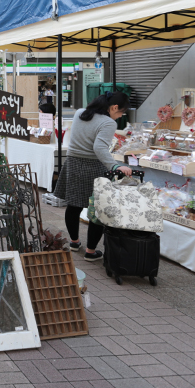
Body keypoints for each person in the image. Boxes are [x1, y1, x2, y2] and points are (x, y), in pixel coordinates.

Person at [53, 91, 132, 261]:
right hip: (93, 167)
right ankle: (90, 251)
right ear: (114, 107)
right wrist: (116, 166)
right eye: (121, 113)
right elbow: (100, 148)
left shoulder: (80, 113)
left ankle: (74, 242)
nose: (119, 117)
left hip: (73, 163)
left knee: (73, 206)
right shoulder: (107, 122)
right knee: (97, 209)